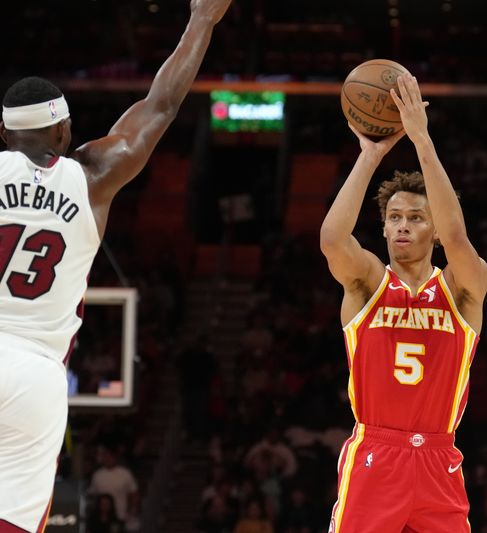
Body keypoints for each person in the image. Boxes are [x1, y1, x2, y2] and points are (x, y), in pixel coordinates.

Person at [0, 1, 232, 531]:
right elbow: (161, 106)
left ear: (4, 134)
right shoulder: (93, 174)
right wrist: (202, 19)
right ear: (64, 131)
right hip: (35, 369)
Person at [320, 73, 487, 532]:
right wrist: (370, 154)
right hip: (377, 452)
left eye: (416, 218)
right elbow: (332, 238)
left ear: (432, 230)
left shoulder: (462, 286)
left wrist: (422, 139)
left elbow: (457, 236)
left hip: (439, 457)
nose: (403, 226)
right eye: (394, 217)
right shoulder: (368, 284)